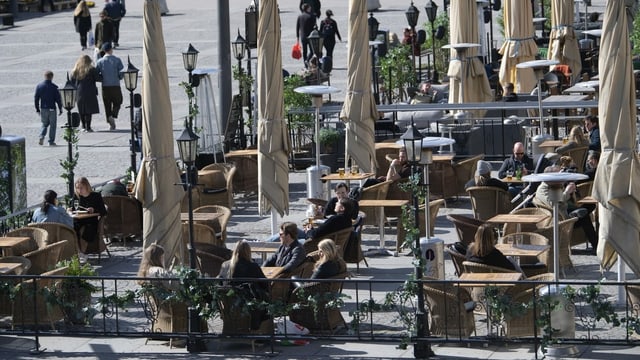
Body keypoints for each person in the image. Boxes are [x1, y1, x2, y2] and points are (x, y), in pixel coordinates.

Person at [533, 166, 598, 251]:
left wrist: (572, 191)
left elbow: (570, 202)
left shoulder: (556, 185)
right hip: (560, 218)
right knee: (584, 217)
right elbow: (553, 204)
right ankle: (596, 245)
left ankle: (595, 244)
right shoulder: (543, 189)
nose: (561, 177)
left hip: (566, 211)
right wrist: (567, 192)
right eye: (559, 175)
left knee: (590, 206)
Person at [218, 240, 270, 329]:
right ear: (248, 252)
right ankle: (262, 331)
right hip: (249, 307)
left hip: (229, 306)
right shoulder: (253, 266)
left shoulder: (225, 265)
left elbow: (219, 283)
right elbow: (265, 285)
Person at [96, 42, 124, 130]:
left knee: (107, 105)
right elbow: (121, 72)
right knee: (118, 101)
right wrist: (119, 77)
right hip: (115, 85)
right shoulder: (117, 60)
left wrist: (102, 79)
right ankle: (113, 114)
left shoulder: (100, 61)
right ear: (111, 50)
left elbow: (96, 74)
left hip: (105, 86)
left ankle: (111, 123)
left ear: (104, 51)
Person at [72, 177, 108, 245]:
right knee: (70, 229)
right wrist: (69, 209)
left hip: (91, 220)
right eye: (77, 188)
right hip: (78, 220)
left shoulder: (96, 196)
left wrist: (94, 210)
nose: (79, 190)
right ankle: (76, 248)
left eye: (81, 188)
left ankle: (85, 248)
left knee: (89, 232)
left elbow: (103, 211)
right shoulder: (76, 196)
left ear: (87, 186)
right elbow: (73, 209)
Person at [71, 55, 101, 132]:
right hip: (90, 92)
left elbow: (72, 83)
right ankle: (88, 127)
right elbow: (99, 78)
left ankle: (83, 126)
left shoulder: (76, 70)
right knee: (89, 110)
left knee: (81, 110)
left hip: (79, 92)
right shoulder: (91, 69)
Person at [34, 70, 62, 146]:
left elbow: (36, 98)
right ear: (52, 77)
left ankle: (42, 136)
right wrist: (60, 109)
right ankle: (51, 141)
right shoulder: (54, 87)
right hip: (52, 109)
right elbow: (58, 99)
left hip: (43, 108)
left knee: (44, 124)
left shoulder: (39, 86)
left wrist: (37, 109)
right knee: (53, 125)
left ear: (44, 76)